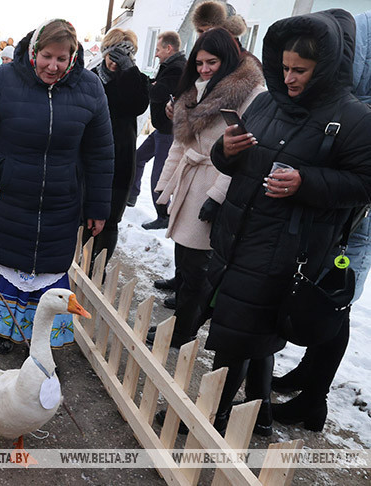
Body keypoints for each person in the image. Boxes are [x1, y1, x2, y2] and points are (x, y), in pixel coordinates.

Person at [203, 9, 371, 436]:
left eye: (302, 70)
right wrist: (228, 150)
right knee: (252, 330)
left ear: (327, 67)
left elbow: (364, 184)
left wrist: (306, 182)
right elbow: (231, 164)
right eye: (285, 68)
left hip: (285, 247)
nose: (291, 78)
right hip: (239, 234)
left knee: (237, 335)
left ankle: (210, 418)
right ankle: (258, 414)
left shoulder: (353, 119)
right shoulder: (264, 102)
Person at [0, 19, 114, 353]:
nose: (53, 65)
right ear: (34, 52)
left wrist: (98, 208)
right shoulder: (5, 80)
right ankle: (6, 331)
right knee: (8, 265)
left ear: (73, 57)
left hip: (61, 204)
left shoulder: (90, 89)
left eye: (62, 59)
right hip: (9, 200)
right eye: (47, 56)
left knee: (48, 272)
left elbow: (101, 155)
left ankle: (41, 343)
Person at [269, 9, 371, 432]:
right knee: (321, 287)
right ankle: (308, 376)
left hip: (354, 203)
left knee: (334, 295)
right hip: (336, 187)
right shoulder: (358, 25)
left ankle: (315, 399)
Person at [148, 28, 264, 351]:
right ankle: (181, 323)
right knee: (184, 263)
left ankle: (184, 331)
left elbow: (242, 151)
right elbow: (181, 142)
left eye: (211, 62)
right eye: (199, 62)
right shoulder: (196, 89)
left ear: (227, 58)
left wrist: (217, 196)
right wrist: (165, 184)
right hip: (191, 182)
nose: (204, 69)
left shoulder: (249, 94)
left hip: (214, 184)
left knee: (198, 269)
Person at [84, 28, 149, 265]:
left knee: (110, 220)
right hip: (89, 158)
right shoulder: (91, 77)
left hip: (120, 159)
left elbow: (138, 105)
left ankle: (96, 272)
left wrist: (129, 71)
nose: (116, 61)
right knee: (83, 216)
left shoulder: (135, 80)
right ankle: (77, 267)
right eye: (114, 55)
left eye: (125, 55)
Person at [133, 31, 186, 230]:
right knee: (138, 157)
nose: (155, 54)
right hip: (161, 129)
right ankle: (131, 195)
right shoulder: (169, 66)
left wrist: (149, 85)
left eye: (157, 49)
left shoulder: (177, 68)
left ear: (168, 48)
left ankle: (163, 214)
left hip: (169, 131)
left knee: (159, 175)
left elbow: (157, 94)